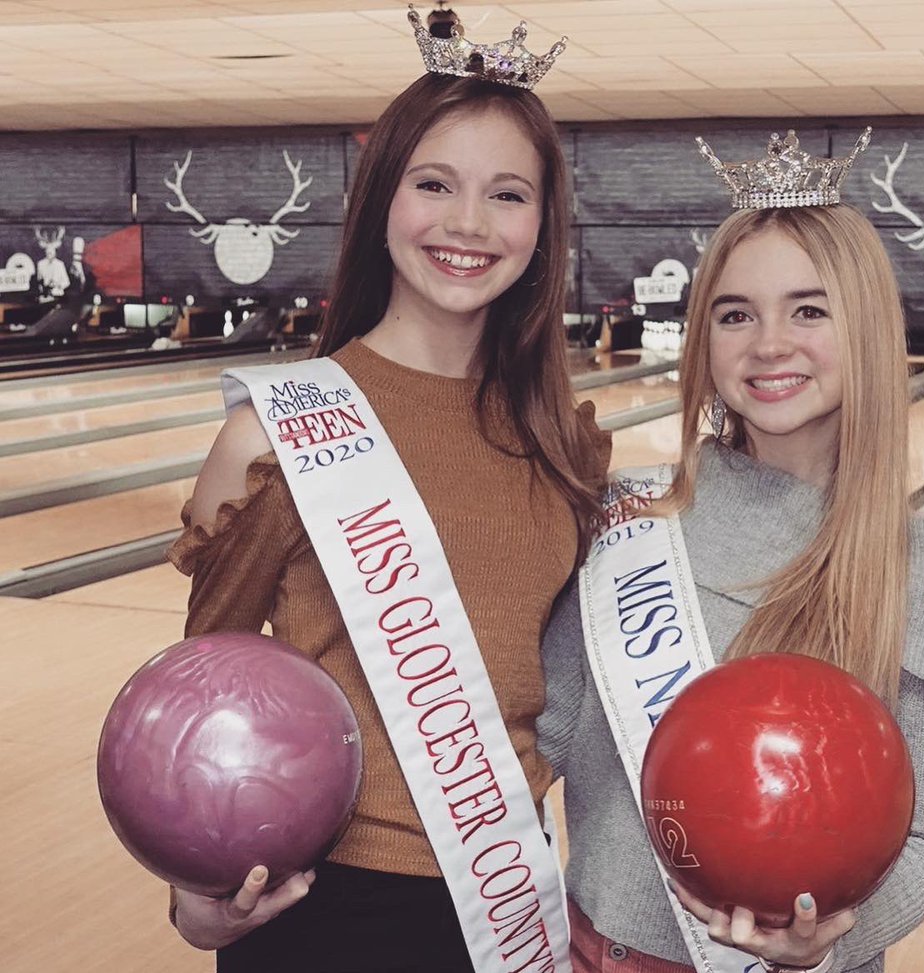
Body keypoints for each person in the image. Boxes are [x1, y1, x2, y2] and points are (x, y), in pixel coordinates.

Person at [165, 9, 608, 972]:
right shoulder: (274, 434)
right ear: (382, 199)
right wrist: (194, 898)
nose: (468, 224)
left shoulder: (565, 445)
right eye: (434, 184)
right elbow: (201, 693)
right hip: (322, 905)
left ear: (543, 224)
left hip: (509, 899)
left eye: (507, 194)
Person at [537, 129, 924, 973]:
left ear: (867, 328)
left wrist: (821, 943)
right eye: (735, 314)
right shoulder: (630, 517)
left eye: (809, 310)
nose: (768, 344)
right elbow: (547, 738)